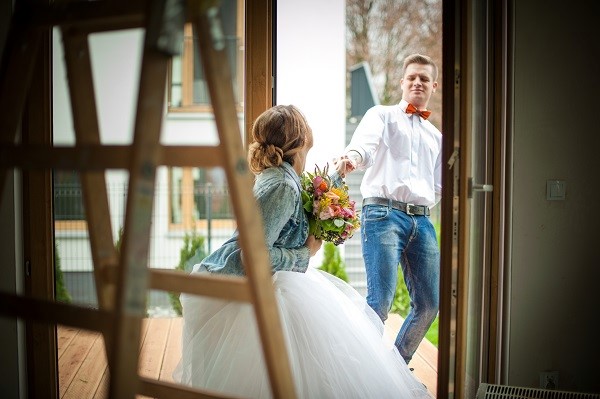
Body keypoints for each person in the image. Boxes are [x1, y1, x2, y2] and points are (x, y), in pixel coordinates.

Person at [174, 104, 432, 398]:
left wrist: (334, 178)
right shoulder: (281, 185)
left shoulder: (284, 177)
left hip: (261, 279)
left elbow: (299, 206)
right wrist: (304, 253)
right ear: (299, 140)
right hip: (238, 284)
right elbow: (253, 256)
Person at [335, 53, 442, 365]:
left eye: (424, 78)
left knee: (429, 304)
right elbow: (363, 148)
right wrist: (350, 159)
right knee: (379, 304)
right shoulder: (381, 116)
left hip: (422, 222)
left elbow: (438, 186)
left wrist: (422, 204)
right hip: (383, 215)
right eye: (412, 77)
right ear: (402, 82)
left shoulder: (437, 137)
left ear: (433, 86)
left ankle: (395, 368)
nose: (417, 82)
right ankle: (362, 370)